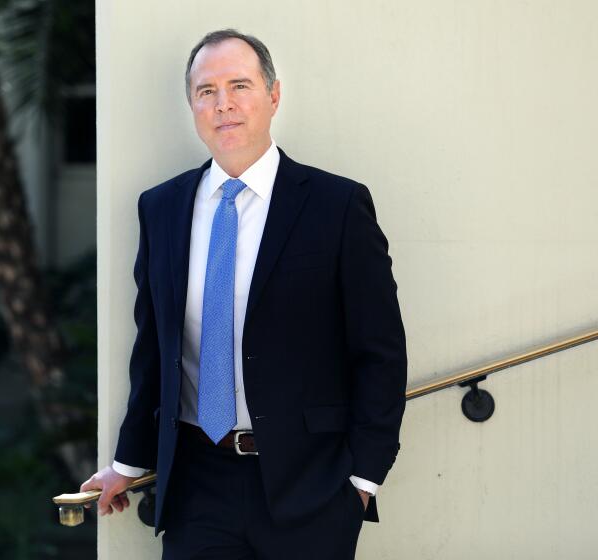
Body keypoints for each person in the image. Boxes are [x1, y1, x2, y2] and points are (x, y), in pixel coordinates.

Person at [81, 28, 407, 559]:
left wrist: (363, 479)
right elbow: (155, 350)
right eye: (207, 91)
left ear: (273, 97)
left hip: (311, 486)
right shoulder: (161, 208)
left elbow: (381, 351)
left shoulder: (337, 205)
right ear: (192, 105)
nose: (223, 104)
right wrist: (128, 462)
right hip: (197, 483)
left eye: (240, 85)